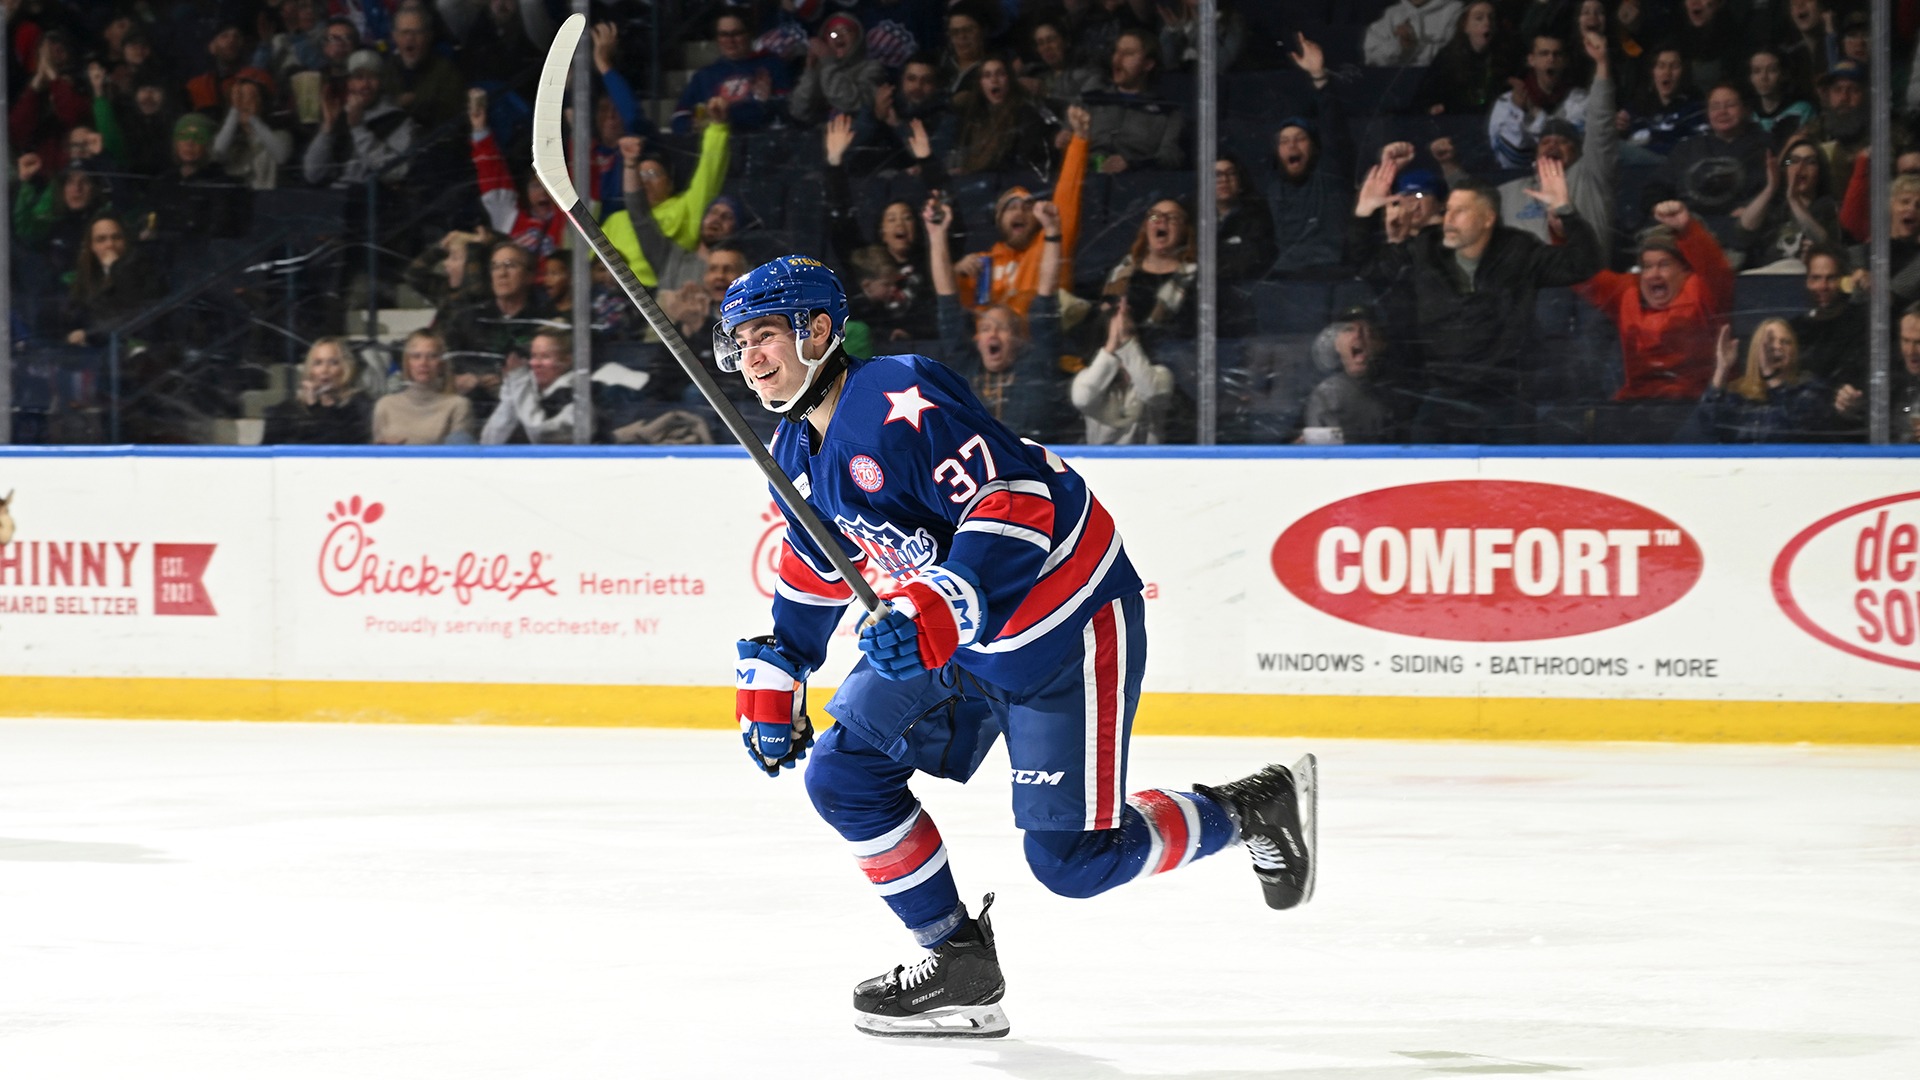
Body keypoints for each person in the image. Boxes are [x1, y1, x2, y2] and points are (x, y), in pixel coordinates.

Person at [714, 250, 1316, 1040]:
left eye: (765, 335)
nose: (750, 358)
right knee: (843, 775)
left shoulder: (897, 395)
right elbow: (824, 558)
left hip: (1062, 627)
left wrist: (945, 600)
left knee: (1074, 864)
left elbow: (1015, 499)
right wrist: (785, 655)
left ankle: (1249, 810)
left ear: (820, 330)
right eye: (738, 341)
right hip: (959, 637)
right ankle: (958, 962)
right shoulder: (792, 452)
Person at [1350, 157, 1603, 443]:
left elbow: (1583, 264)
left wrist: (1565, 210)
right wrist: (1365, 213)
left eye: (1460, 212)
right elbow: (1368, 267)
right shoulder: (1425, 248)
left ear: (1487, 218)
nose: (1448, 219)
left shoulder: (1518, 250)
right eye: (1448, 211)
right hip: (1442, 395)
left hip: (1505, 397)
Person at [931, 200, 1078, 444]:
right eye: (986, 328)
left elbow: (1046, 298)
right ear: (977, 340)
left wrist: (1052, 232)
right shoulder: (966, 369)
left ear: (1019, 340)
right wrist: (937, 235)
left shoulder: (1037, 365)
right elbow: (947, 304)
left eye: (1003, 329)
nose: (992, 335)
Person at [1575, 200, 1733, 403]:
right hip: (1636, 406)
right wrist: (1564, 221)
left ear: (1685, 269)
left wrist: (1687, 228)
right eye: (1647, 266)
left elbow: (1716, 270)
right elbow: (1580, 274)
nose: (1653, 274)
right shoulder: (1628, 291)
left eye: (1664, 264)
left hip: (1694, 404)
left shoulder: (1701, 291)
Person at [953, 106, 1091, 317]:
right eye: (1010, 207)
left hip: (1039, 344)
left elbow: (1066, 201)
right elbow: (956, 313)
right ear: (999, 220)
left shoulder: (1049, 248)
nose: (1019, 211)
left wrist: (1079, 142)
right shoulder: (982, 264)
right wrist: (957, 273)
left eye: (1027, 207)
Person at [603, 101, 733, 288]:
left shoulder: (685, 207)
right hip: (613, 295)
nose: (645, 181)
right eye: (640, 175)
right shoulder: (614, 221)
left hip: (661, 294)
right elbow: (592, 265)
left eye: (653, 174)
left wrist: (718, 128)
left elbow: (709, 173)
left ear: (670, 183)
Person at [1265, 35, 1351, 275]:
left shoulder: (1329, 177)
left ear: (1314, 147)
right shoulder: (1273, 188)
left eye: (1300, 139)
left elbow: (1334, 132)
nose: (1292, 146)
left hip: (1330, 272)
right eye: (1284, 141)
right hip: (1285, 278)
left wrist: (1319, 77)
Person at [1644, 82, 1771, 220]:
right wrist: (1659, 206)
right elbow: (1656, 185)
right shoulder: (1686, 148)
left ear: (1746, 109)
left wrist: (1788, 162)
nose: (1722, 112)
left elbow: (1788, 162)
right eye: (1715, 106)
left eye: (1730, 105)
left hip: (1744, 224)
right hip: (1687, 223)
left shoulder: (1766, 144)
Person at [1693, 321, 1829, 442]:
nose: (1776, 347)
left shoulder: (1810, 388)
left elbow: (1794, 430)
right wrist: (1722, 370)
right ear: (1755, 350)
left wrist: (1771, 377)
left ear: (1794, 351)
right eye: (1769, 342)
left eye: (1785, 342)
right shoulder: (1736, 392)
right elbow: (1708, 426)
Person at [301, 49, 417, 188]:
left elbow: (397, 172)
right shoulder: (339, 115)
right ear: (349, 83)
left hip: (372, 201)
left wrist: (358, 128)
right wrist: (327, 129)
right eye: (358, 77)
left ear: (381, 82)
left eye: (372, 77)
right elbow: (312, 174)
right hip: (334, 199)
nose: (365, 85)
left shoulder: (399, 120)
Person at [1070, 298, 1180, 444]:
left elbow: (1151, 392)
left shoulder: (1160, 374)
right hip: (1100, 464)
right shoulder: (1088, 378)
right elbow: (1082, 398)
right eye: (1117, 335)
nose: (1122, 340)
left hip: (1149, 463)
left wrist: (1127, 344)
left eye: (1130, 333)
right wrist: (1110, 348)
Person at [1080, 29, 1186, 173]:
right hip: (1087, 177)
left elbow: (1171, 157)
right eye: (1117, 52)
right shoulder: (1091, 101)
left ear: (1148, 64)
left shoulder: (1167, 111)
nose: (1117, 60)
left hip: (1137, 182)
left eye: (1128, 54)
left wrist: (1133, 163)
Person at [1099, 199, 1198, 348]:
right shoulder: (1123, 267)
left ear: (1185, 230)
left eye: (1172, 218)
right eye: (1154, 216)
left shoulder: (1194, 276)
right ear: (1145, 227)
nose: (1161, 221)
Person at [1732, 133, 1838, 270]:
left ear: (1820, 171)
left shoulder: (1825, 205)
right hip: (1766, 274)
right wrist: (1770, 188)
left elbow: (1825, 242)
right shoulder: (1772, 204)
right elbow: (1743, 230)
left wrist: (1793, 199)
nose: (1800, 167)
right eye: (1794, 161)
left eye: (1810, 162)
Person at [672, 11, 790, 134]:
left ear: (749, 34)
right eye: (724, 35)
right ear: (717, 39)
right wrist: (696, 124)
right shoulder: (704, 75)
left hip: (760, 142)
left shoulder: (772, 65)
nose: (730, 40)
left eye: (736, 33)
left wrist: (768, 102)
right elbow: (678, 119)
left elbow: (788, 115)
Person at [1488, 32, 1587, 170]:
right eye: (1544, 53)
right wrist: (1518, 112)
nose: (1551, 59)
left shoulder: (1580, 99)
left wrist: (1536, 113)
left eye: (1557, 54)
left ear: (1565, 61)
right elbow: (1510, 161)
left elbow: (1574, 147)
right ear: (1531, 60)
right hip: (1520, 182)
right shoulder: (1507, 103)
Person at [63, 214, 159, 346]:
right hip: (92, 351)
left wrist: (117, 268)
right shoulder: (87, 274)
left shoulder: (146, 269)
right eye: (101, 239)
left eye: (116, 238)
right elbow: (72, 313)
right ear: (92, 246)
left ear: (126, 242)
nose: (110, 245)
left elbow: (136, 313)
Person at [950, 54, 1054, 175]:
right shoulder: (975, 119)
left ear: (1009, 80)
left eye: (1000, 74)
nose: (994, 80)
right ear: (980, 84)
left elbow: (1025, 159)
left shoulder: (1025, 113)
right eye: (987, 75)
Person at [1833, 302, 1920, 443]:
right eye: (1905, 340)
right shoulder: (1892, 381)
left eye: (1919, 342)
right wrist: (1854, 410)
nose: (1910, 351)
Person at [263, 337, 374, 444]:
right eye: (318, 363)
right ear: (310, 369)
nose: (324, 370)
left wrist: (315, 408)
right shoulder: (286, 411)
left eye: (333, 363)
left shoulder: (359, 405)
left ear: (346, 368)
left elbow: (332, 446)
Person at [1302, 316, 1394, 444]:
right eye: (1349, 329)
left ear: (1380, 345)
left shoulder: (1396, 391)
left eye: (1370, 332)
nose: (1359, 335)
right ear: (1336, 344)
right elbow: (1322, 451)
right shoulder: (1328, 392)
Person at [373, 330, 475, 444]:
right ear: (407, 362)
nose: (423, 363)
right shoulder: (385, 405)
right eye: (416, 356)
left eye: (432, 356)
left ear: (441, 364)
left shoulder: (457, 405)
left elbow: (459, 457)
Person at [480, 329, 578, 444]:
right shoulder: (529, 387)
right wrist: (512, 384)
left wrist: (520, 381)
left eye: (545, 357)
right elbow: (490, 440)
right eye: (534, 356)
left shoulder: (580, 394)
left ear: (567, 360)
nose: (535, 364)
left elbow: (542, 436)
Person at [788, 14, 887, 126]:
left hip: (854, 137)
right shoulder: (821, 68)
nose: (839, 36)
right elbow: (798, 110)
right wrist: (810, 71)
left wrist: (828, 62)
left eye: (846, 31)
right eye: (833, 33)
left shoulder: (872, 68)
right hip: (816, 136)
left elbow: (851, 103)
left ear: (857, 37)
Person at [1789, 244, 1865, 389]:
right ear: (1807, 281)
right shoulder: (1795, 329)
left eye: (1831, 278)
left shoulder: (1863, 321)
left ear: (1844, 280)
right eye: (1816, 278)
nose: (1823, 286)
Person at [1415, 1, 1507, 116]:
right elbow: (1423, 101)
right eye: (1479, 18)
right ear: (1465, 25)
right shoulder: (1447, 59)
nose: (1487, 23)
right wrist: (1432, 109)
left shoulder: (1503, 59)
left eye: (1491, 18)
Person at [211, 69, 292, 190]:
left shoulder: (280, 136)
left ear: (263, 102)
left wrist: (253, 120)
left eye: (251, 97)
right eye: (240, 98)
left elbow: (281, 156)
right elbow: (218, 152)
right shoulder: (229, 139)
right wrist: (234, 112)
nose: (245, 103)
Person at [1364, 0, 1465, 67]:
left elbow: (1455, 56)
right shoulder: (1393, 13)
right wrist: (1399, 46)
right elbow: (1372, 59)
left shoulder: (1455, 10)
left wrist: (1414, 46)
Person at [1747, 47, 1815, 134]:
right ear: (1750, 77)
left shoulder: (1801, 110)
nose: (1763, 77)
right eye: (1756, 71)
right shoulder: (1749, 117)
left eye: (1772, 70)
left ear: (1784, 75)